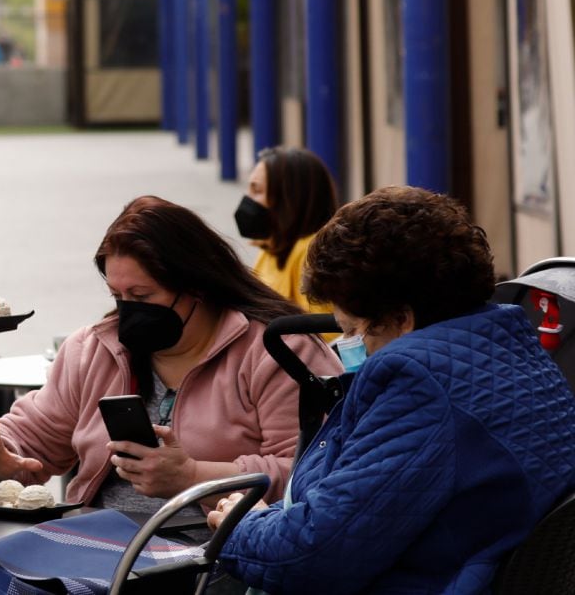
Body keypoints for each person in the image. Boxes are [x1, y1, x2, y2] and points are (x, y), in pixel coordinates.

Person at [210, 186, 575, 594]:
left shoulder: (420, 384)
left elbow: (310, 555)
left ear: (401, 318)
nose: (349, 347)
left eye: (352, 331)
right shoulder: (507, 347)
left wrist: (239, 524)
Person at [0, 196, 341, 519]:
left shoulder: (280, 352)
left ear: (197, 286)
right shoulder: (95, 350)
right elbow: (32, 434)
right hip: (100, 546)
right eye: (117, 297)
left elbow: (315, 473)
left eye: (142, 297)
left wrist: (193, 477)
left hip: (216, 558)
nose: (127, 312)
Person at [234, 147, 338, 314]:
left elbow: (323, 332)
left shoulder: (310, 254)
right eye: (250, 189)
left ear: (288, 199)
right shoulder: (271, 246)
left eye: (257, 191)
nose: (248, 200)